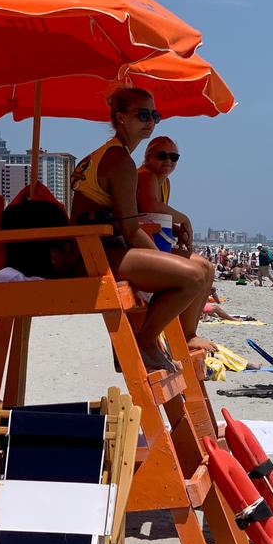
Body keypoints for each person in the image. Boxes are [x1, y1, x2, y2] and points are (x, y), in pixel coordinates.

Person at [70, 86, 215, 370]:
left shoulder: (111, 154)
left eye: (155, 116)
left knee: (197, 271)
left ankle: (161, 340)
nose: (150, 121)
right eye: (143, 115)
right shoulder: (119, 160)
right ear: (121, 117)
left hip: (94, 249)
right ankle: (145, 342)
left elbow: (126, 220)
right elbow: (130, 229)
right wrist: (161, 260)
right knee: (193, 277)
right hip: (94, 254)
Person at [135, 136, 193, 256]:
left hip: (150, 242)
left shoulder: (165, 183)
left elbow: (153, 217)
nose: (168, 160)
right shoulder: (146, 176)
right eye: (162, 156)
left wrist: (176, 230)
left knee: (201, 263)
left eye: (173, 157)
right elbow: (151, 207)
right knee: (200, 265)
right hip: (136, 244)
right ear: (148, 158)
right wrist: (185, 219)